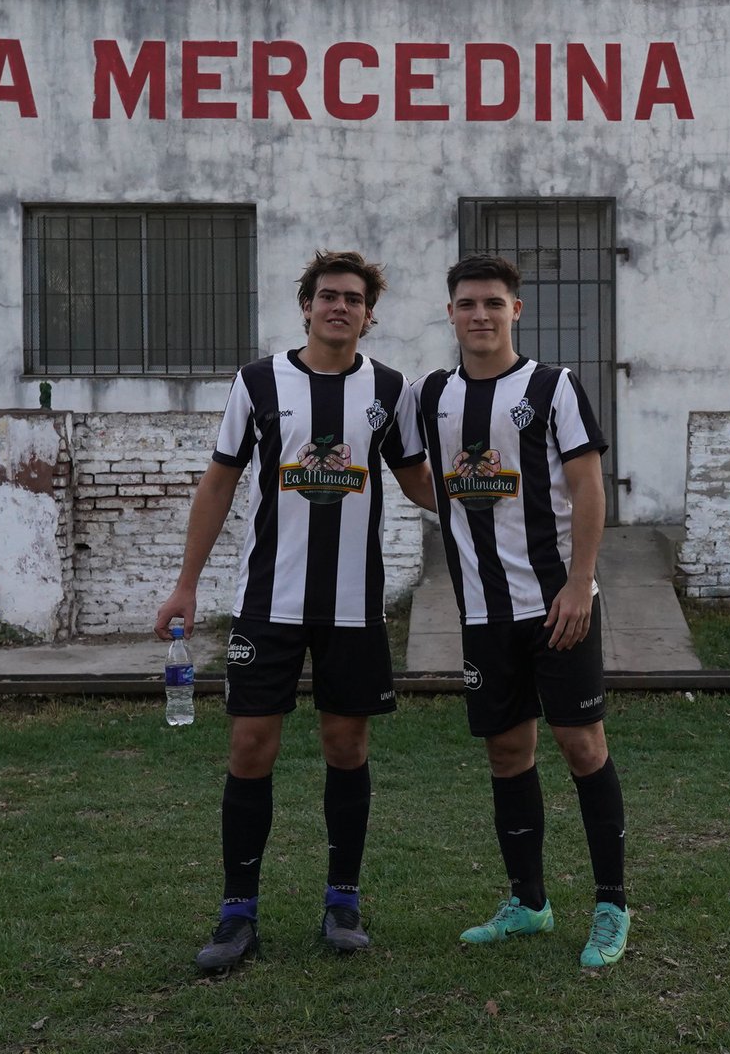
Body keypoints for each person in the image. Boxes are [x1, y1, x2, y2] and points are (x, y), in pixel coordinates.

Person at [154, 249, 432, 972]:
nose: (340, 307)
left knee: (347, 747)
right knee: (250, 746)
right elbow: (218, 485)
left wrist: (500, 500)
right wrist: (186, 583)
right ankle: (237, 913)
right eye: (327, 296)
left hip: (352, 608)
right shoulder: (257, 383)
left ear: (370, 314)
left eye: (354, 299)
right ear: (305, 305)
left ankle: (343, 902)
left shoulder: (391, 391)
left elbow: (419, 483)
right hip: (267, 605)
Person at [410, 253, 630, 969]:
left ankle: (611, 905)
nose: (480, 315)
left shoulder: (553, 386)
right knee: (508, 753)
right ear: (450, 313)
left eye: (493, 303)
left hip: (557, 605)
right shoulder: (432, 395)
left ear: (516, 311)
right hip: (483, 613)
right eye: (467, 304)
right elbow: (418, 473)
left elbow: (588, 486)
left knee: (581, 746)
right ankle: (528, 902)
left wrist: (580, 581)